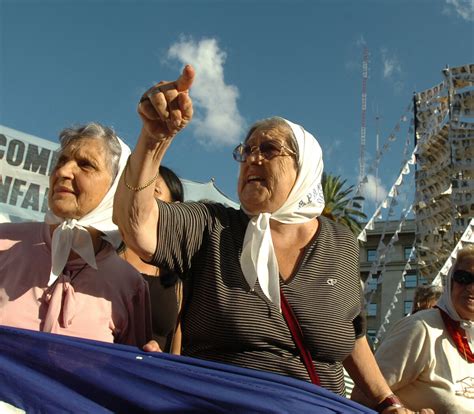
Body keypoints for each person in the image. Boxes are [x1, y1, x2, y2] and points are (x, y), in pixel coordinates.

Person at [113, 65, 432, 413]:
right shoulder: (211, 226)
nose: (252, 158)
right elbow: (136, 225)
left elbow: (351, 335)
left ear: (305, 168)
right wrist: (153, 140)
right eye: (246, 150)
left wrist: (388, 403)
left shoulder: (340, 245)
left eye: (269, 148)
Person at [0, 123, 151, 347]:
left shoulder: (130, 286)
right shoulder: (4, 243)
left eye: (85, 165)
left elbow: (126, 373)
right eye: (61, 161)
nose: (62, 172)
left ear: (116, 188)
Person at [353, 245, 474, 413]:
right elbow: (362, 396)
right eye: (463, 277)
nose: (471, 287)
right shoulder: (421, 328)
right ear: (451, 281)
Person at [118, 165, 184, 352]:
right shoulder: (106, 251)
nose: (143, 197)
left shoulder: (181, 276)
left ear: (175, 209)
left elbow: (177, 350)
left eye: (154, 190)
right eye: (141, 189)